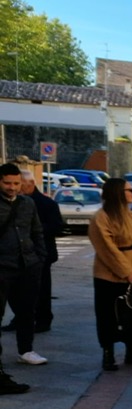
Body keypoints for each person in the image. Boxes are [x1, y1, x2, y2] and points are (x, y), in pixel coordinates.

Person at [88, 177, 132, 372]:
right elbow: (107, 248)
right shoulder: (101, 217)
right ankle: (108, 354)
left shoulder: (131, 216)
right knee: (108, 315)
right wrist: (126, 272)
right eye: (128, 190)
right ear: (117, 193)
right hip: (108, 276)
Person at [1, 163, 46, 389]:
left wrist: (39, 257)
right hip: (2, 266)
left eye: (16, 183)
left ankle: (26, 350)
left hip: (27, 265)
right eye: (7, 183)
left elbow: (37, 231)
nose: (12, 187)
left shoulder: (28, 203)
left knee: (27, 310)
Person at [19, 170, 62, 332]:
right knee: (20, 290)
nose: (17, 188)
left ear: (30, 184)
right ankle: (21, 319)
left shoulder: (46, 203)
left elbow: (56, 226)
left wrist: (33, 230)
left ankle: (43, 320)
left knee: (42, 288)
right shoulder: (17, 202)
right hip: (21, 253)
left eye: (20, 184)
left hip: (41, 253)